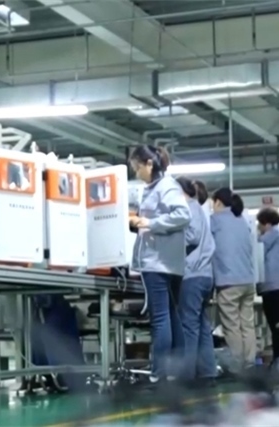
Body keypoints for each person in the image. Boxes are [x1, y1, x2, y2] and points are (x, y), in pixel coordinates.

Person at [128, 145, 191, 382]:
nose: (136, 174)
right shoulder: (157, 187)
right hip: (165, 262)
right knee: (171, 317)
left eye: (137, 168)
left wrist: (150, 223)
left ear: (149, 164)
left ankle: (159, 374)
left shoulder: (166, 186)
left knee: (161, 319)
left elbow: (183, 215)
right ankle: (177, 372)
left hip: (158, 263)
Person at [174, 176, 217, 386]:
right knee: (201, 325)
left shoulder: (188, 208)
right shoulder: (199, 208)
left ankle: (186, 376)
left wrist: (166, 238)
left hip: (193, 274)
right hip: (205, 274)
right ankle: (207, 372)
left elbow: (191, 236)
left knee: (188, 326)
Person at [209, 188, 257, 371]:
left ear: (218, 202)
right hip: (248, 281)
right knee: (247, 324)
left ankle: (237, 367)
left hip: (228, 281)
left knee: (232, 326)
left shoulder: (214, 220)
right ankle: (250, 364)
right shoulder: (242, 220)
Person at [255, 207, 279, 365]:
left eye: (260, 225)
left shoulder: (273, 233)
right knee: (278, 325)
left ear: (266, 223)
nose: (259, 228)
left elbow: (257, 250)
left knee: (276, 326)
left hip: (273, 287)